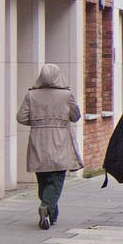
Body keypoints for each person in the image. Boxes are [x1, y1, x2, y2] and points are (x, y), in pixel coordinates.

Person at [16, 63, 83, 230]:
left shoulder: (31, 95)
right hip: (60, 139)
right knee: (57, 177)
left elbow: (21, 117)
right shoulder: (66, 95)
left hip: (38, 139)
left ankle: (49, 212)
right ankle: (46, 206)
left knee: (44, 178)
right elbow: (75, 116)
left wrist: (38, 122)